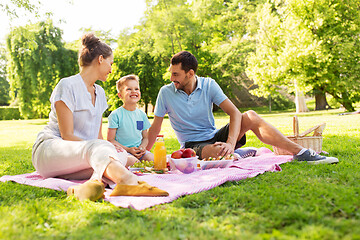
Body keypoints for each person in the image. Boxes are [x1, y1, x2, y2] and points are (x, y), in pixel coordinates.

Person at [32, 33, 168, 201]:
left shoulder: (100, 93)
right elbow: (67, 135)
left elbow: (97, 137)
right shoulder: (67, 85)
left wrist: (109, 148)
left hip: (84, 155)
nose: (111, 69)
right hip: (51, 150)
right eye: (110, 63)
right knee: (106, 152)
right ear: (100, 59)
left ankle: (88, 185)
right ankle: (128, 182)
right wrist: (103, 146)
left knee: (121, 157)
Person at [147, 51, 339, 164]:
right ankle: (235, 153)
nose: (172, 79)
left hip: (216, 136)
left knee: (251, 116)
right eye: (171, 74)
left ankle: (302, 153)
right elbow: (155, 127)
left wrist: (230, 142)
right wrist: (144, 152)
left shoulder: (208, 85)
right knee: (217, 153)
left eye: (176, 75)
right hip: (193, 145)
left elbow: (234, 113)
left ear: (190, 73)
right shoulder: (166, 92)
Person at [107, 75, 154, 165]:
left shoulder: (142, 115)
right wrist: (128, 149)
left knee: (153, 159)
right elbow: (111, 140)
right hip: (123, 152)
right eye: (129, 89)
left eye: (136, 89)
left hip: (139, 151)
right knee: (134, 162)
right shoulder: (115, 115)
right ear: (120, 95)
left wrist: (142, 148)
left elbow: (145, 138)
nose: (134, 91)